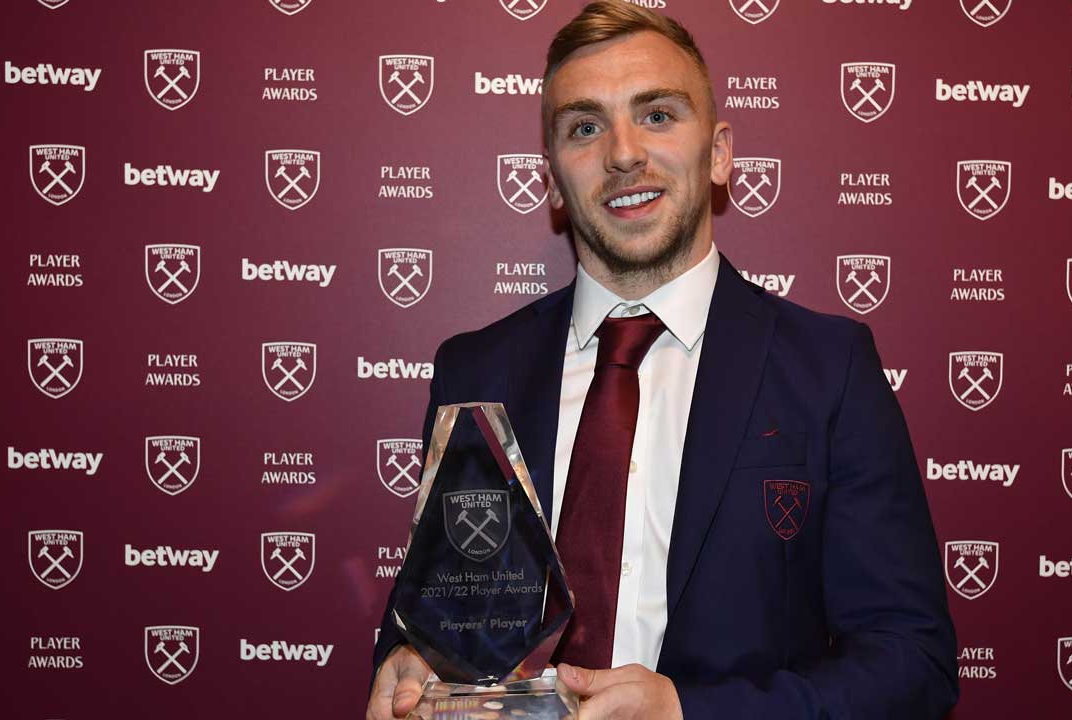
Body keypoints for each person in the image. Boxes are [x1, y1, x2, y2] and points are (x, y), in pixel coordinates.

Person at [368, 2, 958, 718]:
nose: (622, 153)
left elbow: (911, 663)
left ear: (718, 153)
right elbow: (440, 620)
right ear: (552, 178)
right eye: (584, 127)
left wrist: (687, 713)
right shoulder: (474, 370)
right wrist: (406, 661)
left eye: (657, 115)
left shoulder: (827, 370)